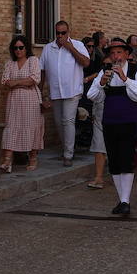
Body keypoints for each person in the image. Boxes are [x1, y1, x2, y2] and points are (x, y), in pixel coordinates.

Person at [87, 37, 137, 216]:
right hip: (109, 121)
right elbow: (92, 95)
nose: (116, 56)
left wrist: (125, 79)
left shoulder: (136, 71)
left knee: (126, 159)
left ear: (126, 54)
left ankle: (125, 200)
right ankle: (121, 199)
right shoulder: (104, 71)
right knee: (114, 161)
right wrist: (101, 83)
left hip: (129, 121)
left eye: (119, 52)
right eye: (113, 53)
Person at [39, 20, 88, 166]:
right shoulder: (48, 48)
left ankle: (68, 154)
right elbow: (42, 71)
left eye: (63, 33)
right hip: (55, 91)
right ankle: (67, 147)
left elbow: (86, 62)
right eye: (58, 33)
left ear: (68, 32)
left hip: (72, 90)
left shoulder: (78, 45)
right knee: (59, 123)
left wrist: (70, 48)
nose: (60, 36)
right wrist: (40, 92)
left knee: (68, 121)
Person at [0, 34, 44, 172]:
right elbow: (5, 81)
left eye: (21, 47)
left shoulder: (33, 60)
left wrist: (16, 82)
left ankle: (33, 159)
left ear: (26, 48)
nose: (18, 50)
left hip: (31, 100)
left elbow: (34, 79)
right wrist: (23, 82)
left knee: (32, 126)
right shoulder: (9, 64)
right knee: (11, 126)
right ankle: (7, 162)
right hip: (14, 100)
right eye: (15, 48)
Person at [83, 31, 109, 189]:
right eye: (105, 65)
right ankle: (98, 177)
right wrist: (101, 82)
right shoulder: (100, 76)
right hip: (100, 114)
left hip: (116, 116)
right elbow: (91, 95)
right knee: (99, 146)